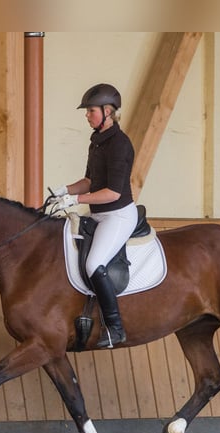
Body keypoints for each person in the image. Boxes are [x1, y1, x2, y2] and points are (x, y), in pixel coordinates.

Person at [51, 83, 139, 349]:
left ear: (108, 111)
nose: (87, 116)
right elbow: (90, 181)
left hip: (118, 216)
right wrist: (64, 190)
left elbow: (112, 193)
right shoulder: (98, 142)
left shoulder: (120, 145)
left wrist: (75, 200)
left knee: (93, 264)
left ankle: (115, 327)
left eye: (90, 111)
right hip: (99, 215)